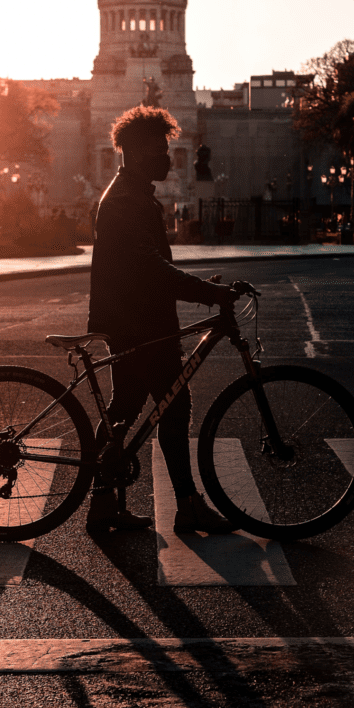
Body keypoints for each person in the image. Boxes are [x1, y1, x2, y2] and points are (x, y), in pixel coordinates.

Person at [86, 105, 239, 536]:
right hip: (141, 326)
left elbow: (149, 266)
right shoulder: (124, 201)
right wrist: (207, 293)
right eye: (160, 150)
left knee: (131, 408)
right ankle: (186, 506)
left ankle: (104, 504)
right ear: (136, 154)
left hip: (139, 319)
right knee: (170, 408)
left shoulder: (133, 194)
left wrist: (197, 287)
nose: (168, 157)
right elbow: (148, 267)